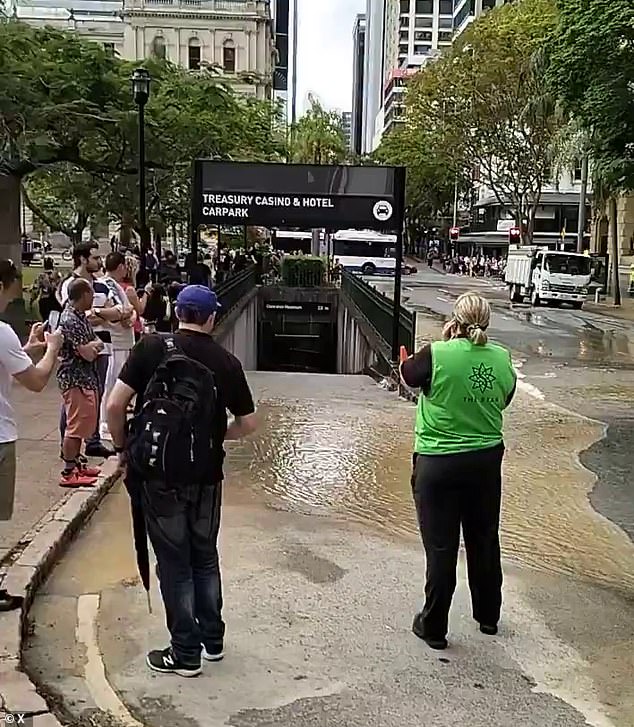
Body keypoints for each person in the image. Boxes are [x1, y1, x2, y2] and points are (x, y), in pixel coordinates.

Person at [106, 285, 257, 678]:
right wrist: (214, 433)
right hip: (207, 476)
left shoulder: (151, 348)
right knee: (205, 557)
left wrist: (125, 448)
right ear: (211, 318)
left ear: (177, 313)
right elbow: (249, 424)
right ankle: (212, 641)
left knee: (174, 564)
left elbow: (114, 405)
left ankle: (184, 653)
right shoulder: (226, 362)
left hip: (158, 477)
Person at [400, 292, 516, 651]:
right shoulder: (501, 358)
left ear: (456, 320)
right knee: (483, 539)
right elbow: (506, 397)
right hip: (484, 463)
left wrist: (405, 361)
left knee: (441, 546)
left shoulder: (437, 353)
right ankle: (488, 617)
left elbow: (408, 378)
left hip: (438, 463)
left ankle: (434, 625)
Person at [0, 259, 63, 610]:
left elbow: (9, 363)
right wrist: (52, 348)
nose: (17, 289)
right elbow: (37, 382)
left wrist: (29, 349)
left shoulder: (6, 337)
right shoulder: (2, 331)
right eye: (13, 283)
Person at [58, 243, 130, 458]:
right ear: (82, 259)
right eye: (94, 257)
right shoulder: (70, 285)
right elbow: (73, 313)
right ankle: (69, 445)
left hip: (103, 345)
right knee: (74, 399)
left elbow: (121, 311)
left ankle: (93, 440)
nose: (99, 261)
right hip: (78, 353)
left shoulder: (101, 284)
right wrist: (104, 315)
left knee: (95, 394)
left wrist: (98, 311)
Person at [57, 278, 105, 487]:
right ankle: (69, 470)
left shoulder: (81, 317)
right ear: (84, 295)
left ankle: (78, 464)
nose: (93, 299)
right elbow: (87, 353)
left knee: (84, 422)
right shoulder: (70, 320)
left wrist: (92, 346)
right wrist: (92, 347)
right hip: (75, 377)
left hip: (86, 377)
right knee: (75, 426)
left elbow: (98, 342)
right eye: (91, 295)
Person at [99, 253, 136, 439]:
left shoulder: (115, 286)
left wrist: (128, 314)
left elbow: (128, 309)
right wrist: (125, 314)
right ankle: (104, 422)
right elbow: (114, 311)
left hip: (123, 340)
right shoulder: (106, 285)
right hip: (116, 341)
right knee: (111, 383)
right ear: (120, 266)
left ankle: (108, 421)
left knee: (115, 381)